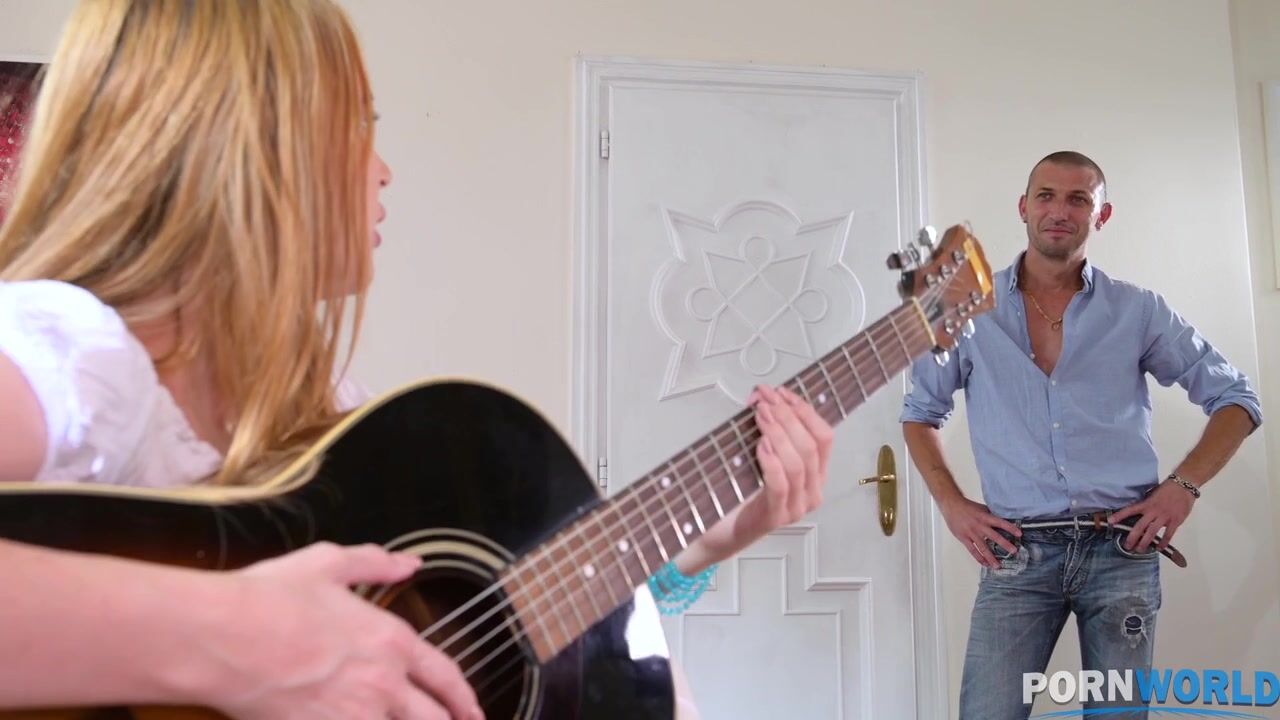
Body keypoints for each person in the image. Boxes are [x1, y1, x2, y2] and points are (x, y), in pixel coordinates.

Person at [0, 1, 835, 717]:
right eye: (360, 128)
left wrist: (704, 543)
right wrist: (235, 636)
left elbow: (478, 634)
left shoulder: (324, 400)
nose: (385, 171)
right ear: (256, 148)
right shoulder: (76, 351)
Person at [900, 150, 1262, 720]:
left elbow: (1237, 399)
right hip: (1016, 552)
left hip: (1122, 549)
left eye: (1078, 199)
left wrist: (1184, 487)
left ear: (1102, 214)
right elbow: (920, 413)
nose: (1059, 211)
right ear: (1024, 207)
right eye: (1046, 195)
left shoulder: (1137, 310)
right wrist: (951, 503)